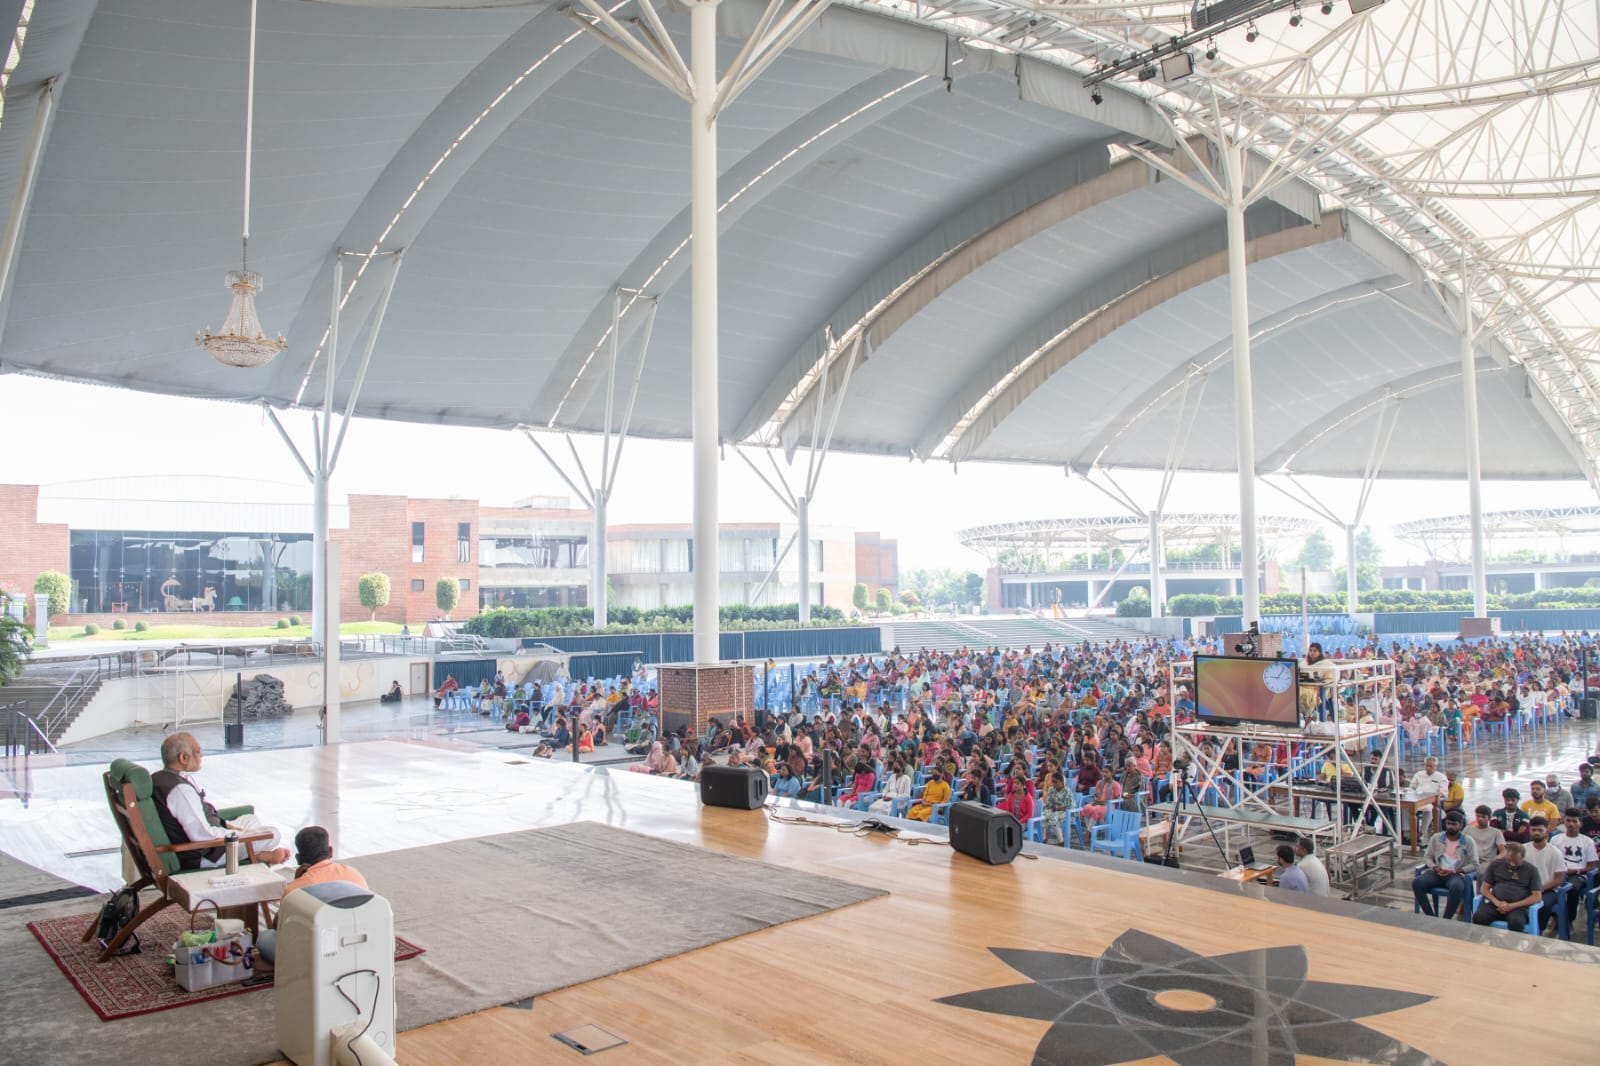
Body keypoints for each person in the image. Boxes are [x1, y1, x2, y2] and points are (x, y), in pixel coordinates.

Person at [152, 733, 289, 868]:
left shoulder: (159, 778)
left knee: (250, 819)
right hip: (207, 854)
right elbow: (202, 835)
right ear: (183, 758)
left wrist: (225, 824)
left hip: (209, 838)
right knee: (273, 834)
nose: (201, 755)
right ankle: (258, 855)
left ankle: (256, 853)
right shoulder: (180, 790)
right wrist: (240, 834)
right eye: (198, 751)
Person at [254, 827, 368, 970]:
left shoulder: (295, 889)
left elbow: (279, 928)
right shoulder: (354, 874)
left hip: (315, 955)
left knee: (264, 938)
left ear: (298, 858)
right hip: (354, 946)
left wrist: (297, 880)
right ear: (330, 851)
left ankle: (295, 968)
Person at [1411, 810, 1479, 920]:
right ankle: (1431, 916)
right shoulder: (1436, 838)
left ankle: (1446, 919)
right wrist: (1434, 867)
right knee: (1417, 883)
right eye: (1448, 824)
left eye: (1454, 824)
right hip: (1437, 872)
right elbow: (1428, 856)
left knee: (1457, 887)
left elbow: (1475, 864)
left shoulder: (1468, 841)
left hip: (1455, 874)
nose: (1450, 827)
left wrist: (1455, 871)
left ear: (1461, 825)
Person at [1471, 841, 1541, 933]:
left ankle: (1510, 946)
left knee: (1516, 923)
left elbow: (1537, 896)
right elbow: (1484, 889)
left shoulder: (1531, 870)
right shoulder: (1496, 865)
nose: (1512, 864)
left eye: (1515, 862)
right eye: (1509, 860)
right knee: (1479, 917)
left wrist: (1511, 906)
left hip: (1518, 906)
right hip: (1495, 903)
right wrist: (1497, 903)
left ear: (1523, 858)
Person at [1550, 808, 1599, 934]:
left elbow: (1591, 866)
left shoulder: (1587, 841)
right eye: (1568, 821)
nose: (1571, 824)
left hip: (1578, 874)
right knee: (1548, 886)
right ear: (1564, 822)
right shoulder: (1556, 839)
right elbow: (1551, 861)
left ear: (1580, 824)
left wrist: (1576, 871)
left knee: (1573, 888)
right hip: (1559, 872)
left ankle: (1570, 920)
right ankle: (1555, 917)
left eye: (1574, 821)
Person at [1521, 817, 1566, 935]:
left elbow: (1558, 879)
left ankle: (1538, 930)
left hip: (1548, 890)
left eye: (1540, 830)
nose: (1536, 832)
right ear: (1529, 831)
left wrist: (1539, 888)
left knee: (1543, 904)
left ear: (1546, 831)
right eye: (1534, 830)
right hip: (1526, 887)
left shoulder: (1555, 852)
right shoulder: (1523, 849)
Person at [1408, 756, 1448, 835]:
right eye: (1427, 766)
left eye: (1430, 766)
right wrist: (1413, 793)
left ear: (1436, 767)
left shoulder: (1441, 777)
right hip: (1417, 799)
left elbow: (1444, 793)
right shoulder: (1418, 774)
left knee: (1430, 809)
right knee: (1405, 807)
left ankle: (1423, 832)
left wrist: (1435, 795)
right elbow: (1411, 787)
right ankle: (1408, 832)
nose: (1428, 768)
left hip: (1431, 802)